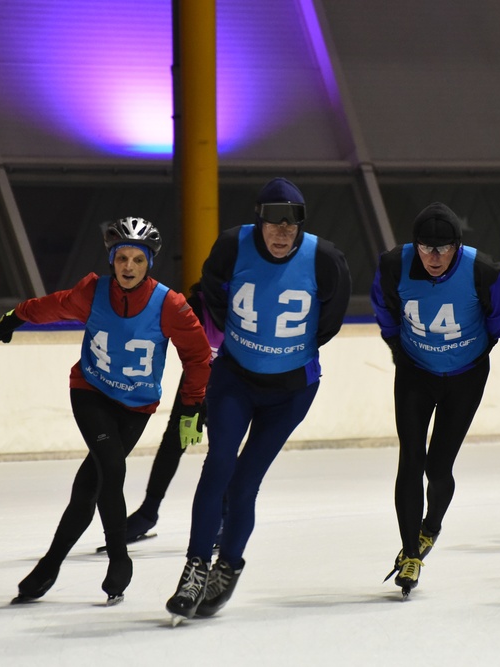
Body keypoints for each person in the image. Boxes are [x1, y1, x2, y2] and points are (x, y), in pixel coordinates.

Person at [0, 217, 211, 605]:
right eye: (122, 258)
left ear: (149, 264)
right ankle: (119, 558)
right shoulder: (92, 292)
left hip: (136, 407)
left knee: (88, 486)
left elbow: (197, 357)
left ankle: (49, 565)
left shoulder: (170, 305)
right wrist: (18, 316)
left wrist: (193, 407)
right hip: (91, 392)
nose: (128, 266)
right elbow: (53, 305)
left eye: (138, 259)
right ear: (112, 260)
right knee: (111, 467)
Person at [165, 178, 351, 620]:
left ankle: (227, 567)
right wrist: (246, 342)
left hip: (291, 392)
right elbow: (212, 293)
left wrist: (286, 352)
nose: (282, 232)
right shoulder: (232, 246)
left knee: (245, 482)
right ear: (258, 220)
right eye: (273, 222)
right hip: (234, 379)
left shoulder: (325, 259)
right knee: (218, 466)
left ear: (301, 225)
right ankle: (195, 568)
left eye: (291, 224)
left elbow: (332, 319)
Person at [370, 202, 500, 597]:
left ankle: (431, 525)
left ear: (458, 246)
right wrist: (397, 348)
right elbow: (383, 308)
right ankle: (410, 553)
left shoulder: (486, 271)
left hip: (465, 378)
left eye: (444, 248)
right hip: (415, 373)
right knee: (411, 460)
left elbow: (499, 319)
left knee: (438, 468)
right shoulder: (392, 266)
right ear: (414, 245)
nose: (434, 257)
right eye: (426, 248)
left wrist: (473, 352)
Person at [120, 282, 225, 546]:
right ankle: (148, 511)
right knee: (174, 440)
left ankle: (223, 516)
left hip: (231, 385)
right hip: (197, 379)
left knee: (223, 448)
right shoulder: (197, 306)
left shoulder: (247, 304)